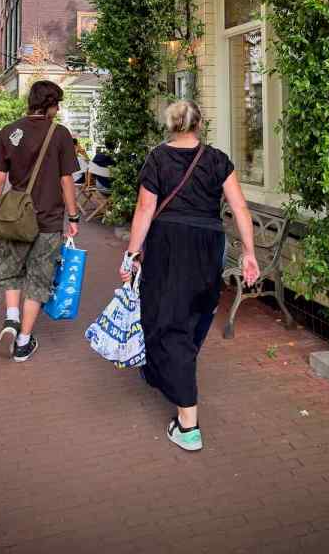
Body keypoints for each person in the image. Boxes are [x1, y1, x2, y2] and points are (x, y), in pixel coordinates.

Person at [120, 100, 259, 452]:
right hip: (208, 243)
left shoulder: (157, 158)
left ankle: (188, 424)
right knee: (197, 311)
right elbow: (240, 207)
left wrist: (132, 254)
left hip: (169, 245)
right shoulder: (217, 159)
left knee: (168, 320)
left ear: (171, 124)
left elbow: (145, 208)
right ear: (199, 124)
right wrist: (249, 253)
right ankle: (165, 369)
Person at [0, 80, 80, 363]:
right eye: (57, 103)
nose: (58, 108)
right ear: (50, 104)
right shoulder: (61, 135)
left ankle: (11, 319)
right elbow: (66, 180)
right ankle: (24, 341)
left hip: (15, 218)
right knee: (39, 279)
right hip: (48, 220)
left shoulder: (9, 131)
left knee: (11, 270)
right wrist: (73, 216)